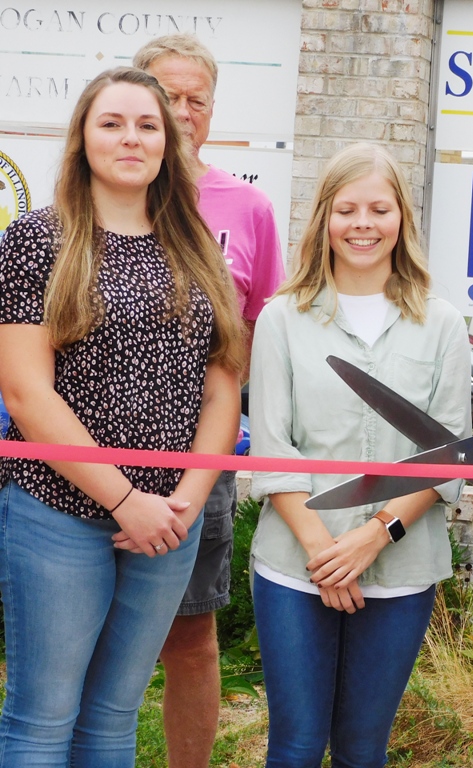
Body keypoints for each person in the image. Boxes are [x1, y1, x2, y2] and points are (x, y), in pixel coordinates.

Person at [0, 66, 243, 766]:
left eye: (147, 125)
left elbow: (222, 391)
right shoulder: (37, 240)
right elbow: (26, 394)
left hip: (169, 524)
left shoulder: (196, 246)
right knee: (44, 717)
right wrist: (125, 500)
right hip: (57, 514)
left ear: (169, 142)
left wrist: (184, 504)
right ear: (83, 138)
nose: (131, 138)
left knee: (113, 718)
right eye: (112, 123)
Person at [248, 142, 470, 768]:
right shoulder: (281, 319)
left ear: (402, 217)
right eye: (346, 210)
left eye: (379, 209)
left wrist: (375, 537)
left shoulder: (443, 324)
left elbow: (447, 456)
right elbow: (273, 447)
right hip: (296, 566)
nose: (362, 224)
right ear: (325, 217)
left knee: (362, 750)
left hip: (401, 567)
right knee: (295, 747)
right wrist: (326, 555)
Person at [132, 34, 285, 768]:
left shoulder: (247, 207)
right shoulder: (94, 198)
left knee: (190, 636)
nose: (184, 112)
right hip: (87, 454)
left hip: (202, 454)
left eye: (199, 99)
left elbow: (261, 334)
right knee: (84, 633)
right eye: (169, 96)